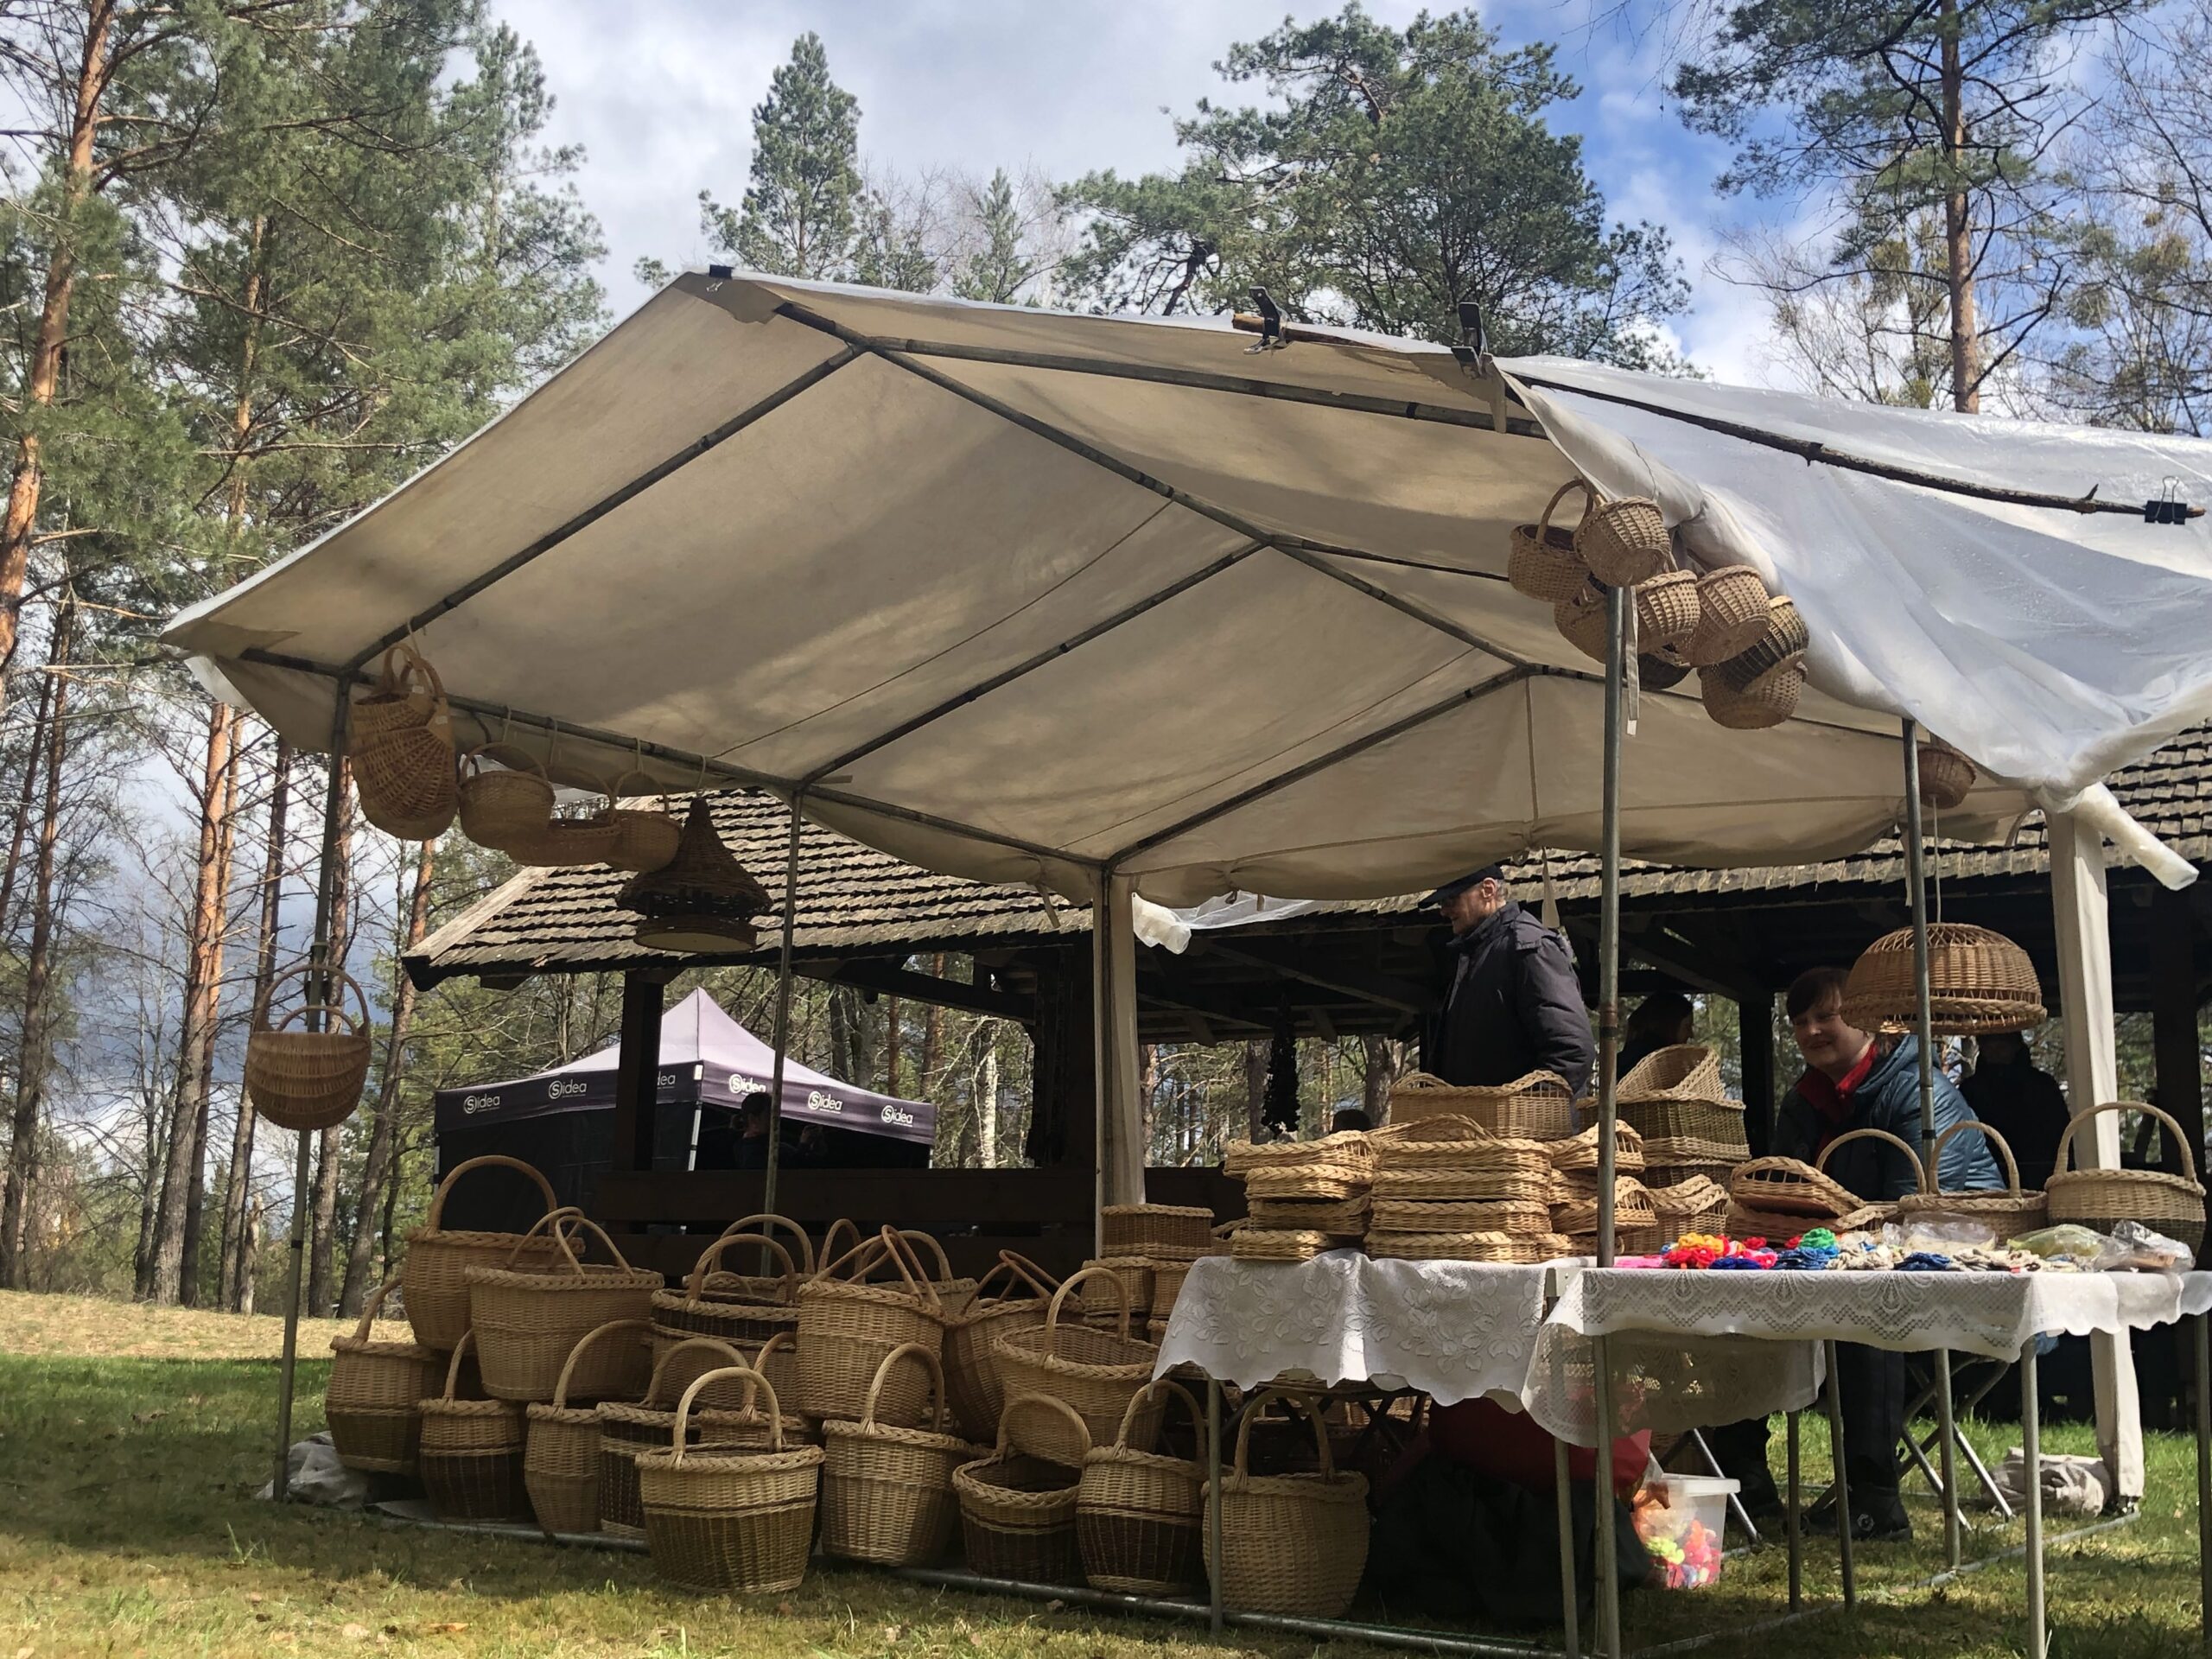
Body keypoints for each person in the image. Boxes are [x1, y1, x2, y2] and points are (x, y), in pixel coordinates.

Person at [1706, 964, 2003, 1542]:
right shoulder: (1805, 1100)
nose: (1811, 1031)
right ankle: (1745, 1479)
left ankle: (1875, 1500)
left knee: (1866, 1314)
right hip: (1838, 1269)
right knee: (1740, 1302)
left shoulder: (1921, 1093)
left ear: (1868, 1020)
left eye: (1826, 1016)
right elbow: (1781, 1192)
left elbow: (1913, 1215)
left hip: (1949, 1279)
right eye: (1799, 1022)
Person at [1425, 865, 1595, 1098]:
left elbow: (1572, 1052)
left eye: (1451, 899)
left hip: (1523, 1121)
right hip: (1477, 1118)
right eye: (1441, 903)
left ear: (1488, 890)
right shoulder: (1474, 953)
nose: (1444, 911)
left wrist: (1525, 1108)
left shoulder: (1529, 947)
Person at [1960, 1031, 2071, 1191]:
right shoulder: (1970, 1090)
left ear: (2016, 1047)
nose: (1995, 1053)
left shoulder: (2042, 1086)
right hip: (1986, 1179)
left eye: (2002, 1047)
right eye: (1989, 1048)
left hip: (2040, 1177)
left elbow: (2061, 1137)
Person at [1619, 992, 1695, 1074]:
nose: (1691, 1034)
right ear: (1669, 1025)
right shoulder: (1657, 1065)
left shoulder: (1629, 1057)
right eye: (1687, 1026)